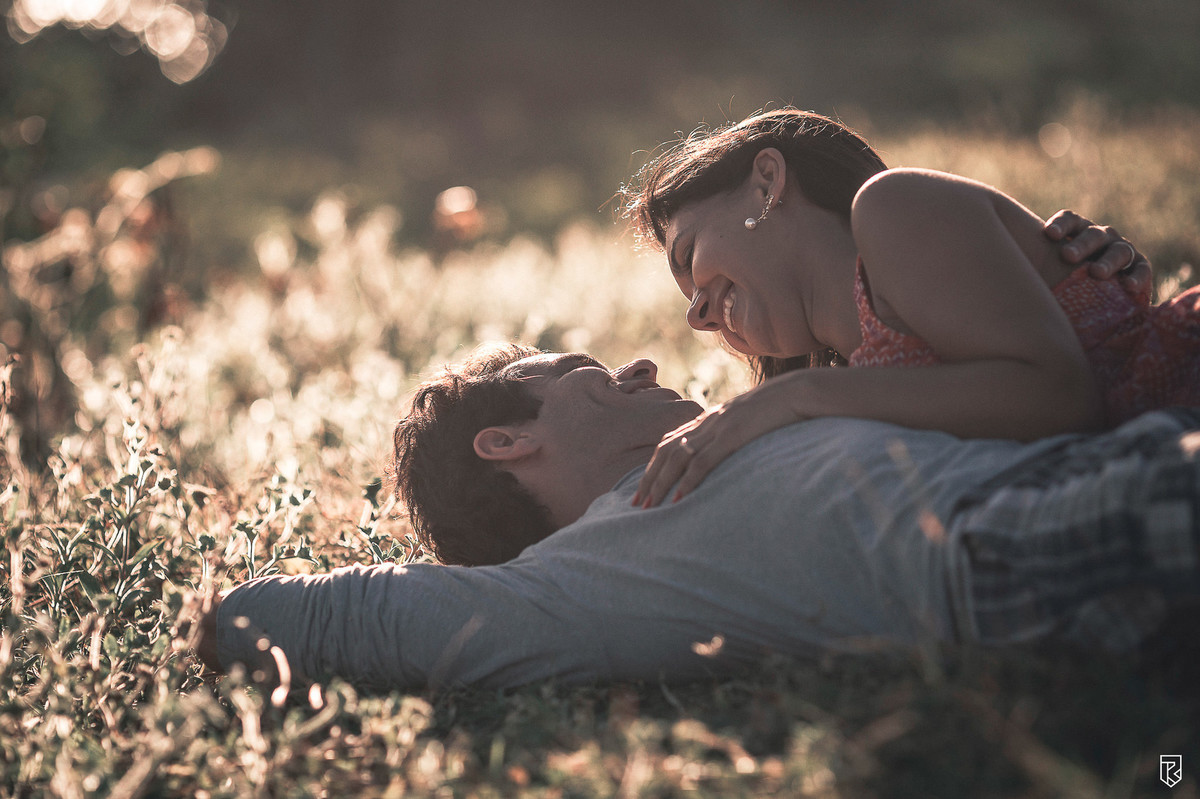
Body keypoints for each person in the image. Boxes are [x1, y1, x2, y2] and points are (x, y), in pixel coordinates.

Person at [195, 344, 1200, 691]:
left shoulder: (754, 415)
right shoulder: (575, 584)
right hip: (1028, 543)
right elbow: (250, 621)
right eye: (581, 373)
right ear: (505, 442)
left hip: (1103, 457)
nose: (637, 366)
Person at [621, 109, 1200, 508]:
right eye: (688, 305)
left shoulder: (892, 206)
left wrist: (795, 397)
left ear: (767, 182)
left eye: (689, 253)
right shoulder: (855, 384)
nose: (696, 317)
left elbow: (1061, 397)